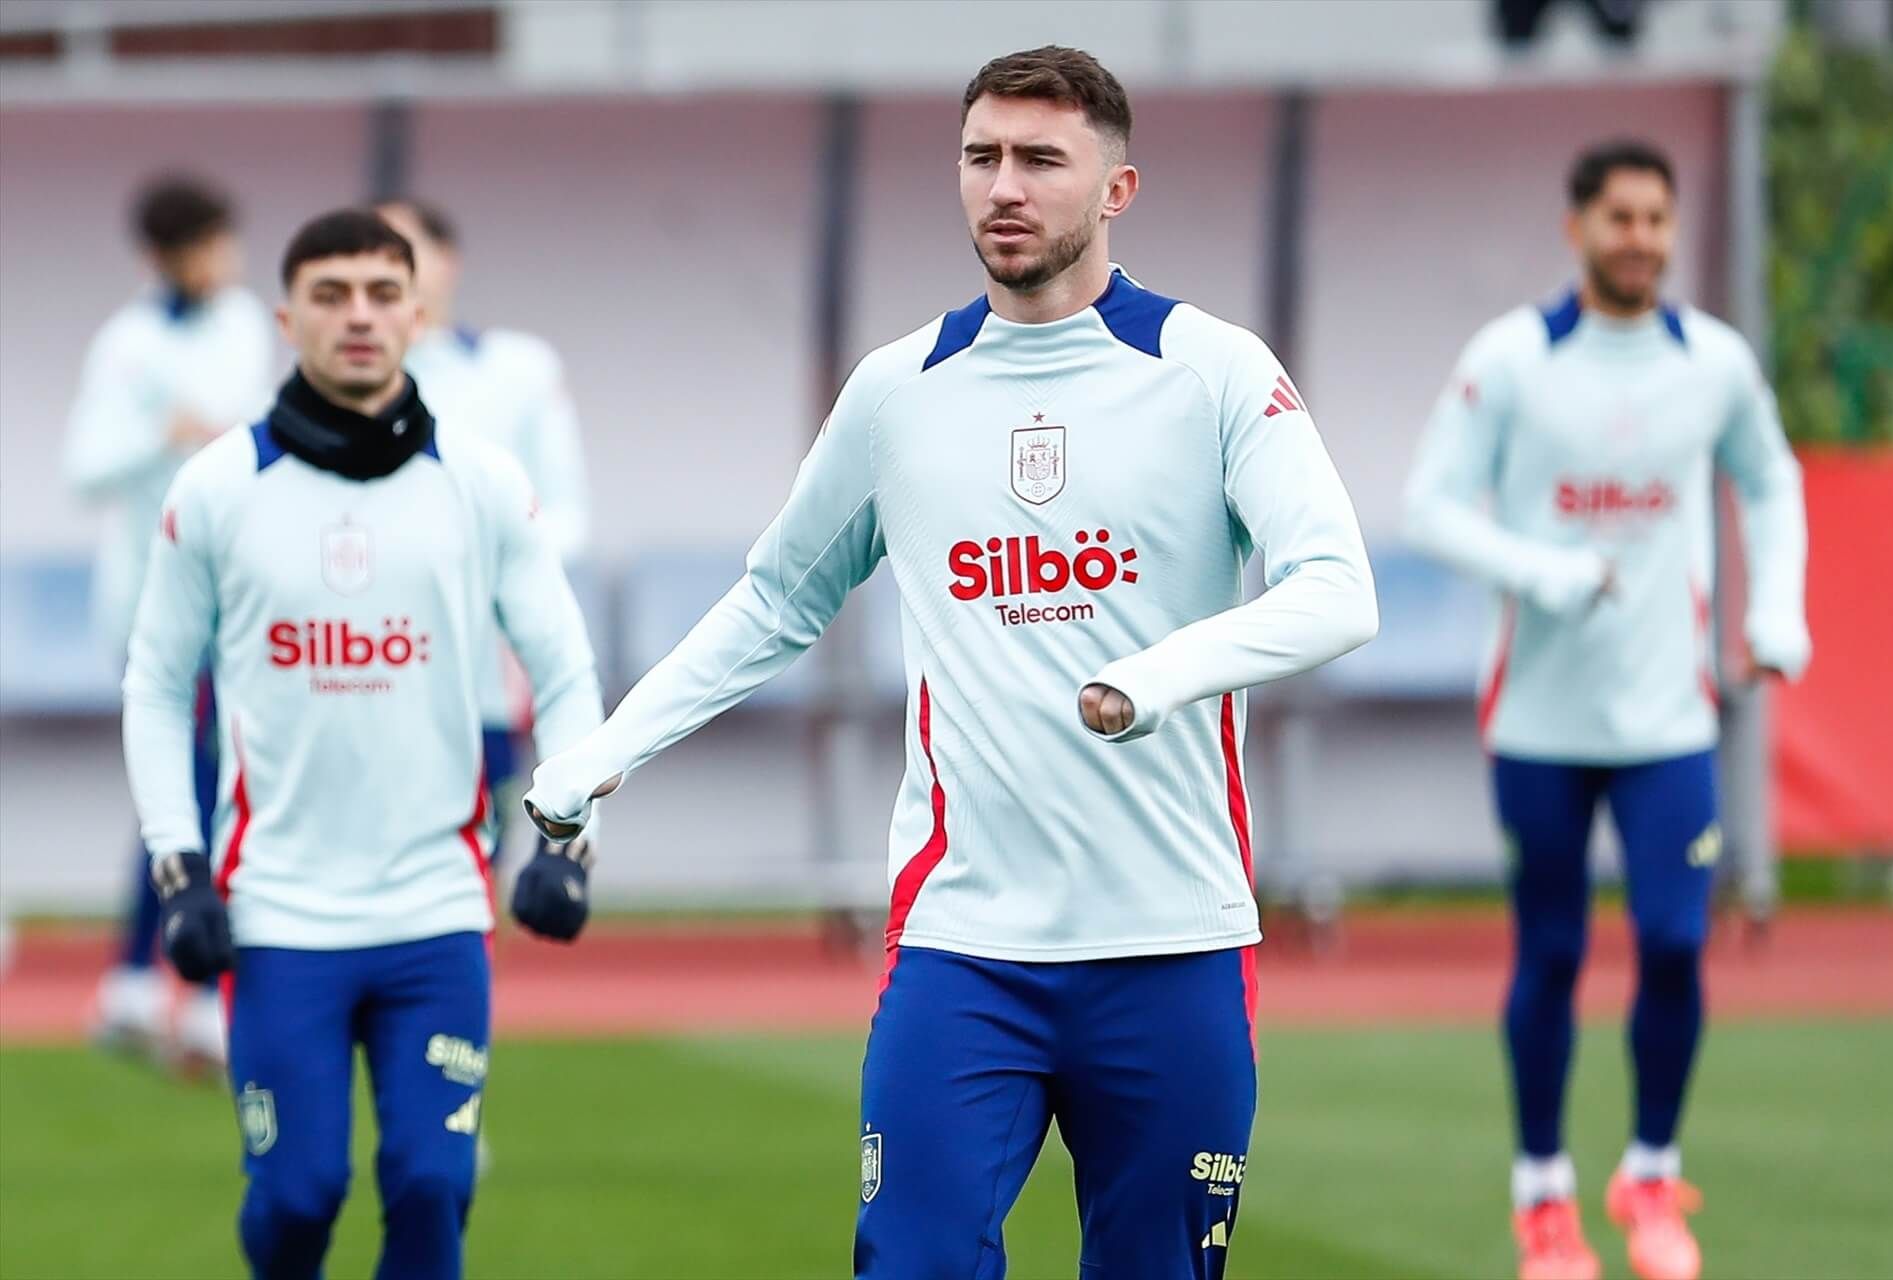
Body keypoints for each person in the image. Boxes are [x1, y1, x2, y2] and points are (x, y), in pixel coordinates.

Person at [525, 45, 1377, 1279]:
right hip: (964, 943)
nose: (1004, 187)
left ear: (1118, 189)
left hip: (1174, 939)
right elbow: (775, 597)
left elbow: (1337, 591)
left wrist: (1158, 677)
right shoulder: (898, 391)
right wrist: (606, 749)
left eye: (1041, 159)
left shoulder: (1213, 372)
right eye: (982, 158)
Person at [121, 209, 604, 1280]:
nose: (359, 315)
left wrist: (566, 839)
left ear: (418, 314)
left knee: (434, 1186)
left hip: (435, 907)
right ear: (288, 317)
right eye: (331, 294)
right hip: (277, 911)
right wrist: (178, 869)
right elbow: (156, 687)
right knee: (299, 1197)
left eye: (383, 294)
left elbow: (568, 675)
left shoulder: (480, 483)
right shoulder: (215, 487)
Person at [1403, 140, 1810, 1280]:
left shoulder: (1714, 364)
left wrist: (1776, 608)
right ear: (1578, 226)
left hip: (1668, 720)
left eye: (1657, 219)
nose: (1641, 238)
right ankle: (1544, 1194)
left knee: (1679, 940)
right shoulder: (1515, 360)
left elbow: (1771, 481)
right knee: (1552, 951)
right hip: (1537, 720)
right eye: (1620, 218)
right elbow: (1428, 506)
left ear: (1674, 232)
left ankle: (1649, 1170)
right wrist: (1541, 569)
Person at [65, 174, 273, 1068]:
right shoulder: (127, 345)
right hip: (154, 600)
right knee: (188, 783)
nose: (224, 261)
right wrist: (165, 435)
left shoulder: (244, 325)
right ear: (168, 255)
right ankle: (168, 987)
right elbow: (85, 466)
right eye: (210, 246)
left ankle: (151, 984)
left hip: (239, 589)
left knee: (216, 783)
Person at [375, 198, 593, 837]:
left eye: (406, 250)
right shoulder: (342, 383)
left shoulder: (519, 369)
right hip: (369, 662)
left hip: (485, 673)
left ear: (448, 261)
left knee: (470, 857)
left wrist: (486, 562)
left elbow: (569, 513)